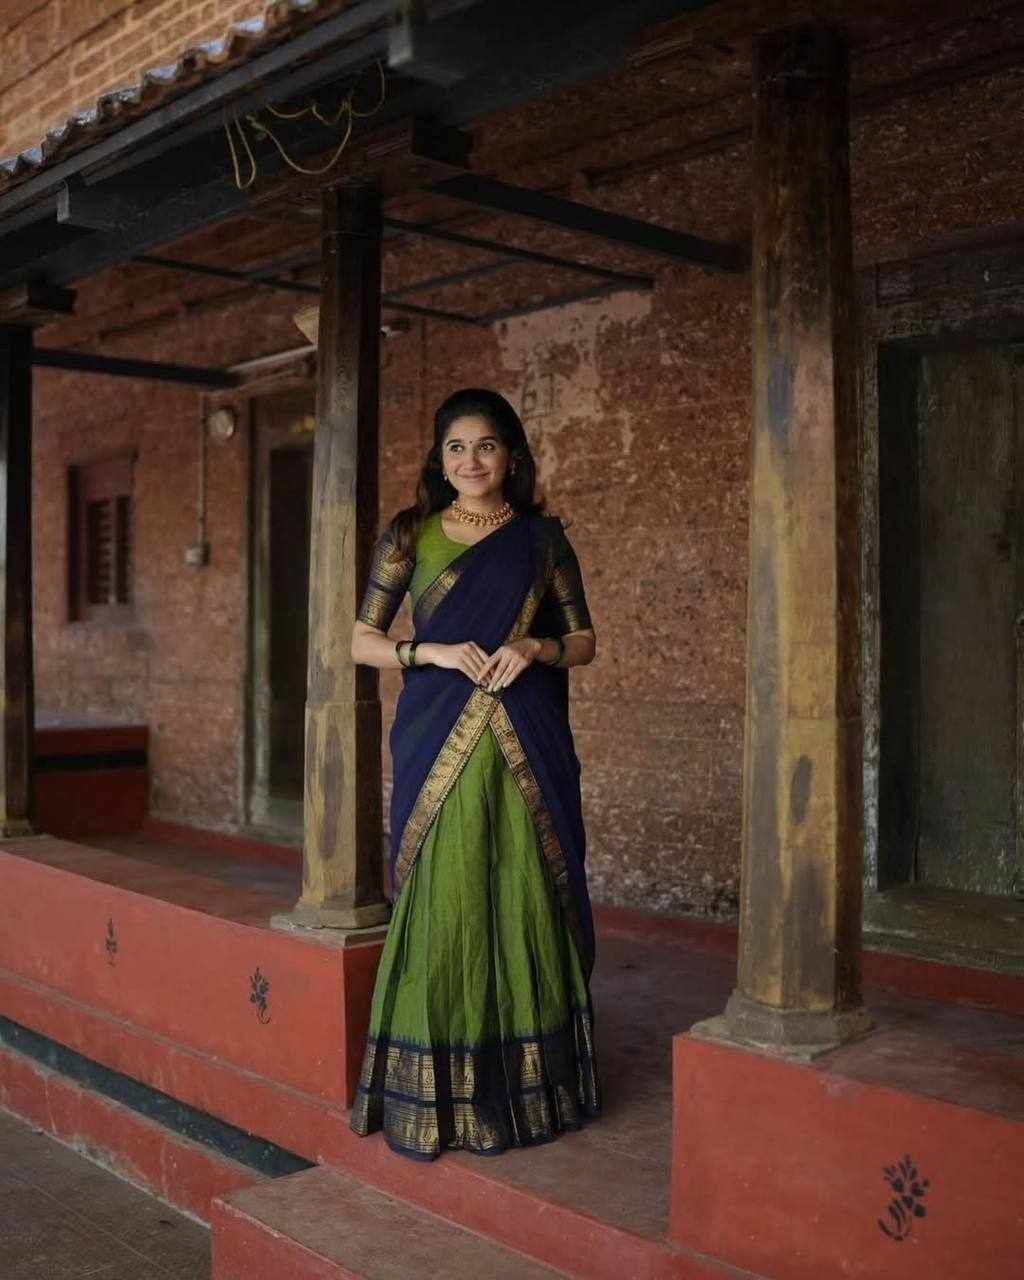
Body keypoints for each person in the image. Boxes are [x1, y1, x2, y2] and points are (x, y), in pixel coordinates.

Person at [348, 387, 600, 1161]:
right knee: (448, 888)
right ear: (439, 457)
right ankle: (439, 1094)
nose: (471, 460)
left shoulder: (542, 540)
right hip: (437, 730)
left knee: (523, 884)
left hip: (525, 732)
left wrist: (534, 648)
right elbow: (360, 640)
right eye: (456, 447)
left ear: (511, 456)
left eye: (486, 445)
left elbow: (584, 641)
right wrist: (430, 652)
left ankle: (529, 1094)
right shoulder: (410, 536)